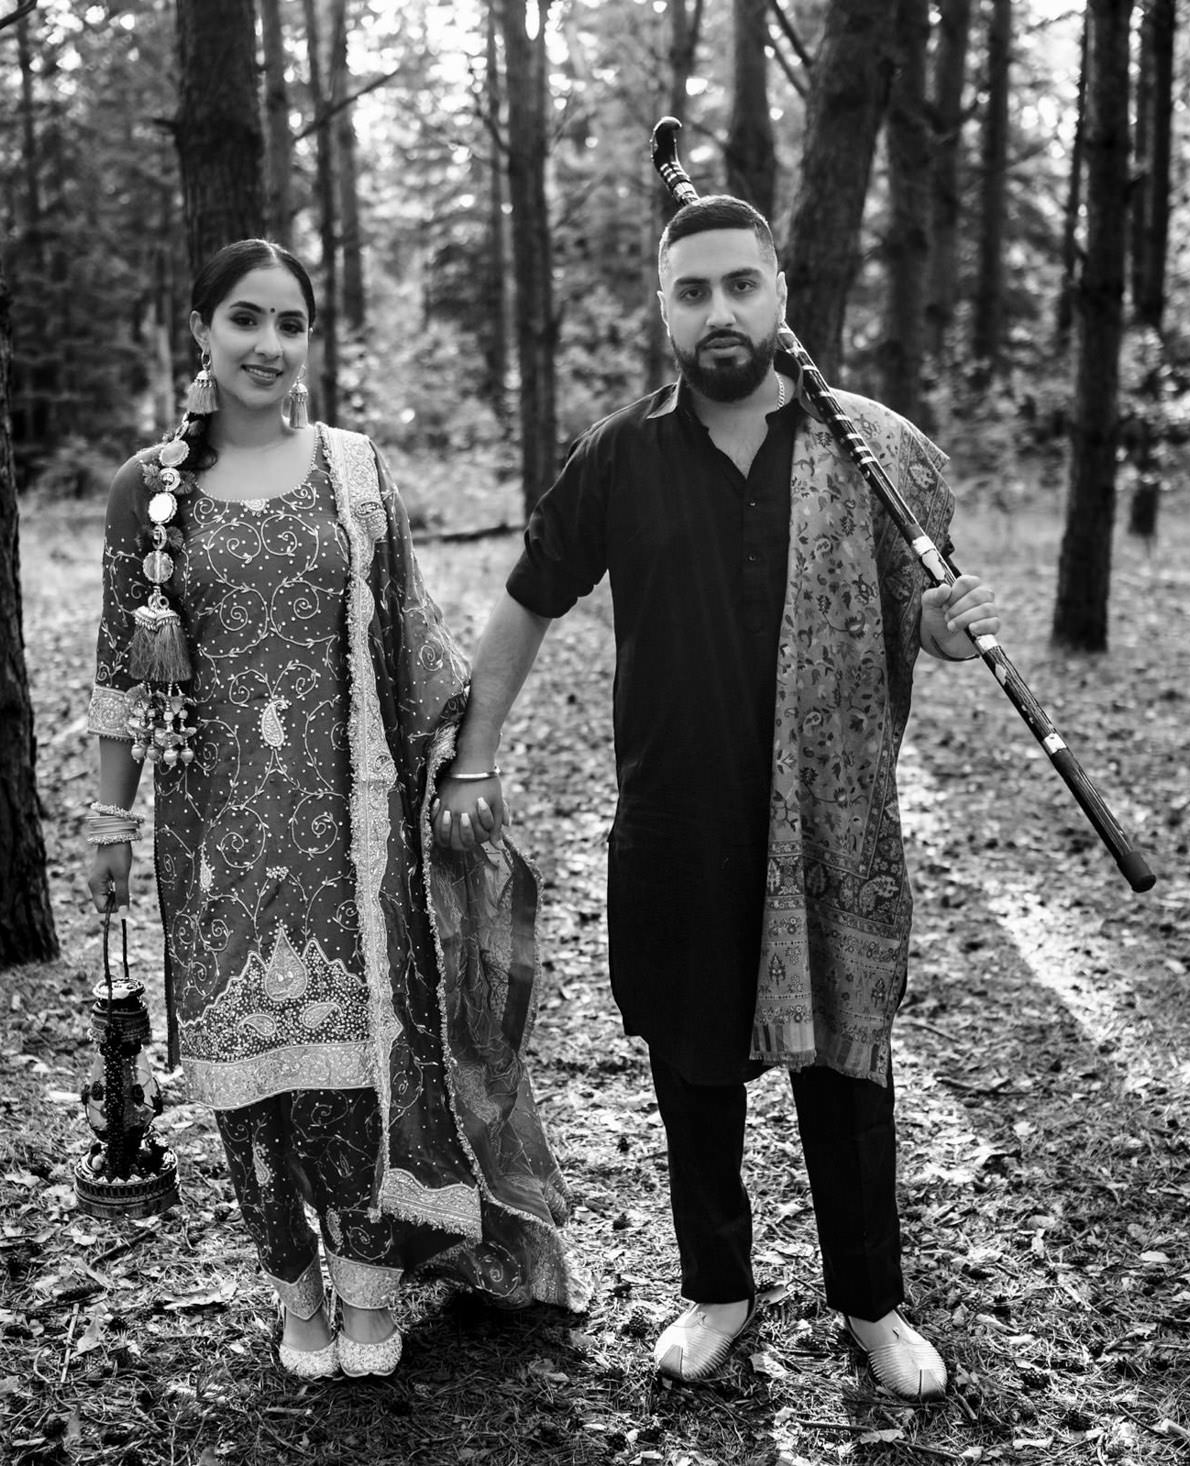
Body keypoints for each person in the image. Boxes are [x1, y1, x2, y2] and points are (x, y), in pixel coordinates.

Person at [436, 197, 999, 1398]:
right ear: (662, 309)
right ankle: (717, 1289)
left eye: (740, 284)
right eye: (692, 292)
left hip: (833, 822)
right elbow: (527, 599)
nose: (719, 312)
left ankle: (870, 1300)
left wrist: (940, 630)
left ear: (781, 291)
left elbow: (923, 605)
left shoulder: (866, 454)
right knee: (692, 1064)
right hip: (678, 819)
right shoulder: (623, 454)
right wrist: (475, 757)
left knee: (847, 1063)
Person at [85, 239, 584, 1382]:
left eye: (291, 322)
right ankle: (293, 1293)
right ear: (200, 327)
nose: (269, 344)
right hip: (214, 833)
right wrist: (109, 827)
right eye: (246, 319)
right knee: (250, 1073)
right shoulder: (146, 490)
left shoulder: (355, 470)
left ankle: (369, 1287)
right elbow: (122, 675)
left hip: (351, 830)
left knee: (359, 1065)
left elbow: (410, 639)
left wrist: (467, 767)